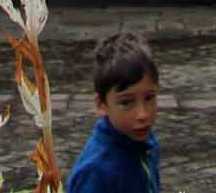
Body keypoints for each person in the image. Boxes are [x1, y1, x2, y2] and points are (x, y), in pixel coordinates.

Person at [65, 30, 161, 191]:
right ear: (101, 104)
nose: (143, 114)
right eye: (127, 103)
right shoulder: (95, 172)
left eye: (149, 98)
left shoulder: (146, 142)